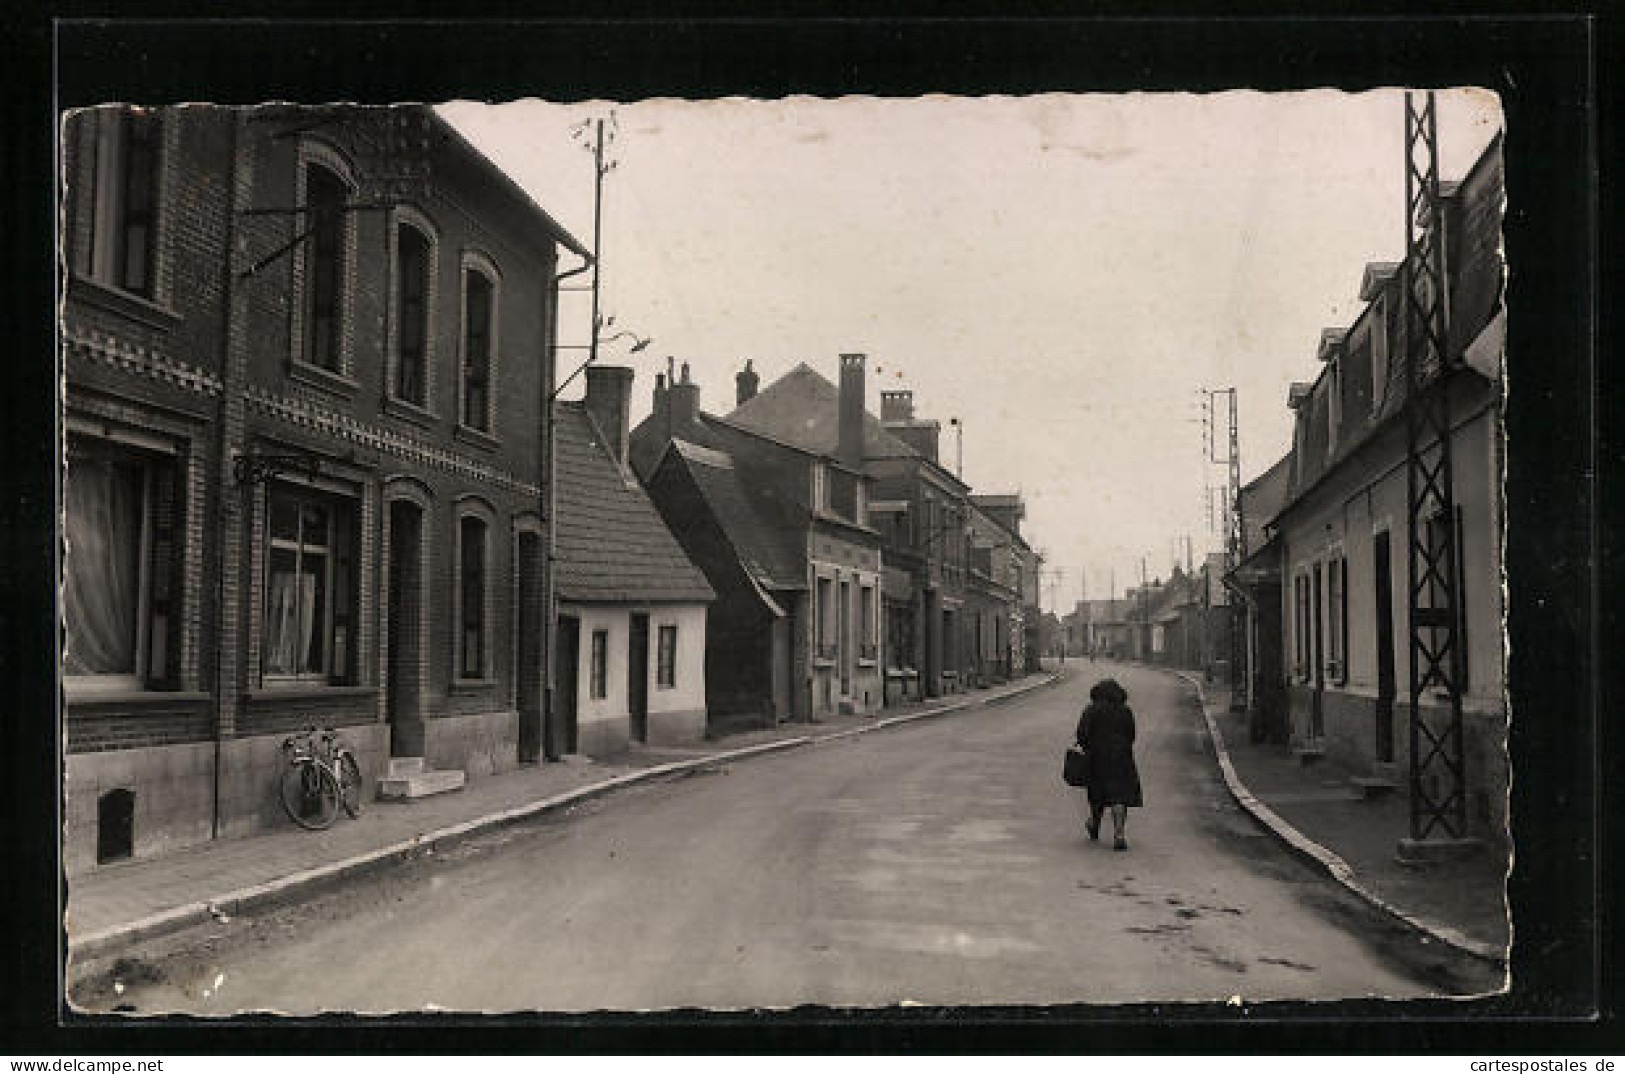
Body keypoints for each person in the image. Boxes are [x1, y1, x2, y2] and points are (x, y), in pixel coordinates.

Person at [1075, 678, 1143, 851]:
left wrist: (1087, 746)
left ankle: (1094, 824)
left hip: (1097, 758)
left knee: (1097, 793)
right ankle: (1119, 833)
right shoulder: (1126, 711)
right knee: (1120, 795)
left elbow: (1082, 734)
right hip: (1122, 758)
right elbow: (1132, 735)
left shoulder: (1091, 710)